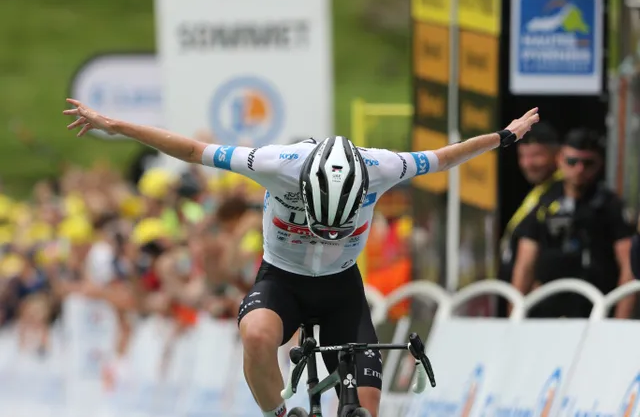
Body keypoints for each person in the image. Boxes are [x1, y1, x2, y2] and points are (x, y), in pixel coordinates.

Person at [63, 98, 539, 417]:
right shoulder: (275, 164)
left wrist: (507, 135)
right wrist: (114, 125)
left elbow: (447, 155)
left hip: (340, 289)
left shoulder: (383, 168)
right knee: (255, 334)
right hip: (282, 280)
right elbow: (190, 148)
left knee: (365, 408)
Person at [511, 128, 636, 318]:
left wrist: (620, 321)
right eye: (572, 161)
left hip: (595, 311)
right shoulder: (544, 201)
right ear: (560, 159)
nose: (579, 169)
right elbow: (524, 264)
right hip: (546, 310)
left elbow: (629, 266)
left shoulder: (609, 205)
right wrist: (515, 315)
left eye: (588, 163)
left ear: (599, 163)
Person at [497, 122, 562, 317]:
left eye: (536, 156)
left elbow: (530, 259)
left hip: (536, 307)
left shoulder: (561, 192)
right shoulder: (540, 190)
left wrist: (515, 311)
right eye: (522, 156)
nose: (527, 163)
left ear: (557, 154)